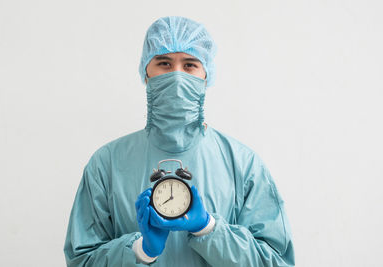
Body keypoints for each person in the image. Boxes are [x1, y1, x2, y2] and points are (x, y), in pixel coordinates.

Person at [64, 16, 295, 266]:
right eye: (164, 63)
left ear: (206, 75)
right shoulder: (107, 164)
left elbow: (277, 261)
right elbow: (81, 260)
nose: (176, 76)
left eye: (189, 65)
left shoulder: (243, 164)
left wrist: (209, 229)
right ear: (146, 72)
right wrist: (141, 251)